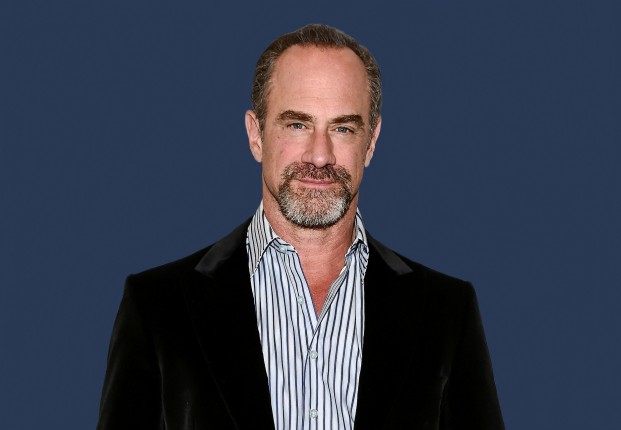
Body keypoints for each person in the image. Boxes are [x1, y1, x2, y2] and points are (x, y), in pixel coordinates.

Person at [97, 23, 504, 430]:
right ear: (256, 135)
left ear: (371, 142)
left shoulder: (446, 314)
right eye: (297, 125)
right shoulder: (158, 309)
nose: (320, 155)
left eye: (342, 128)